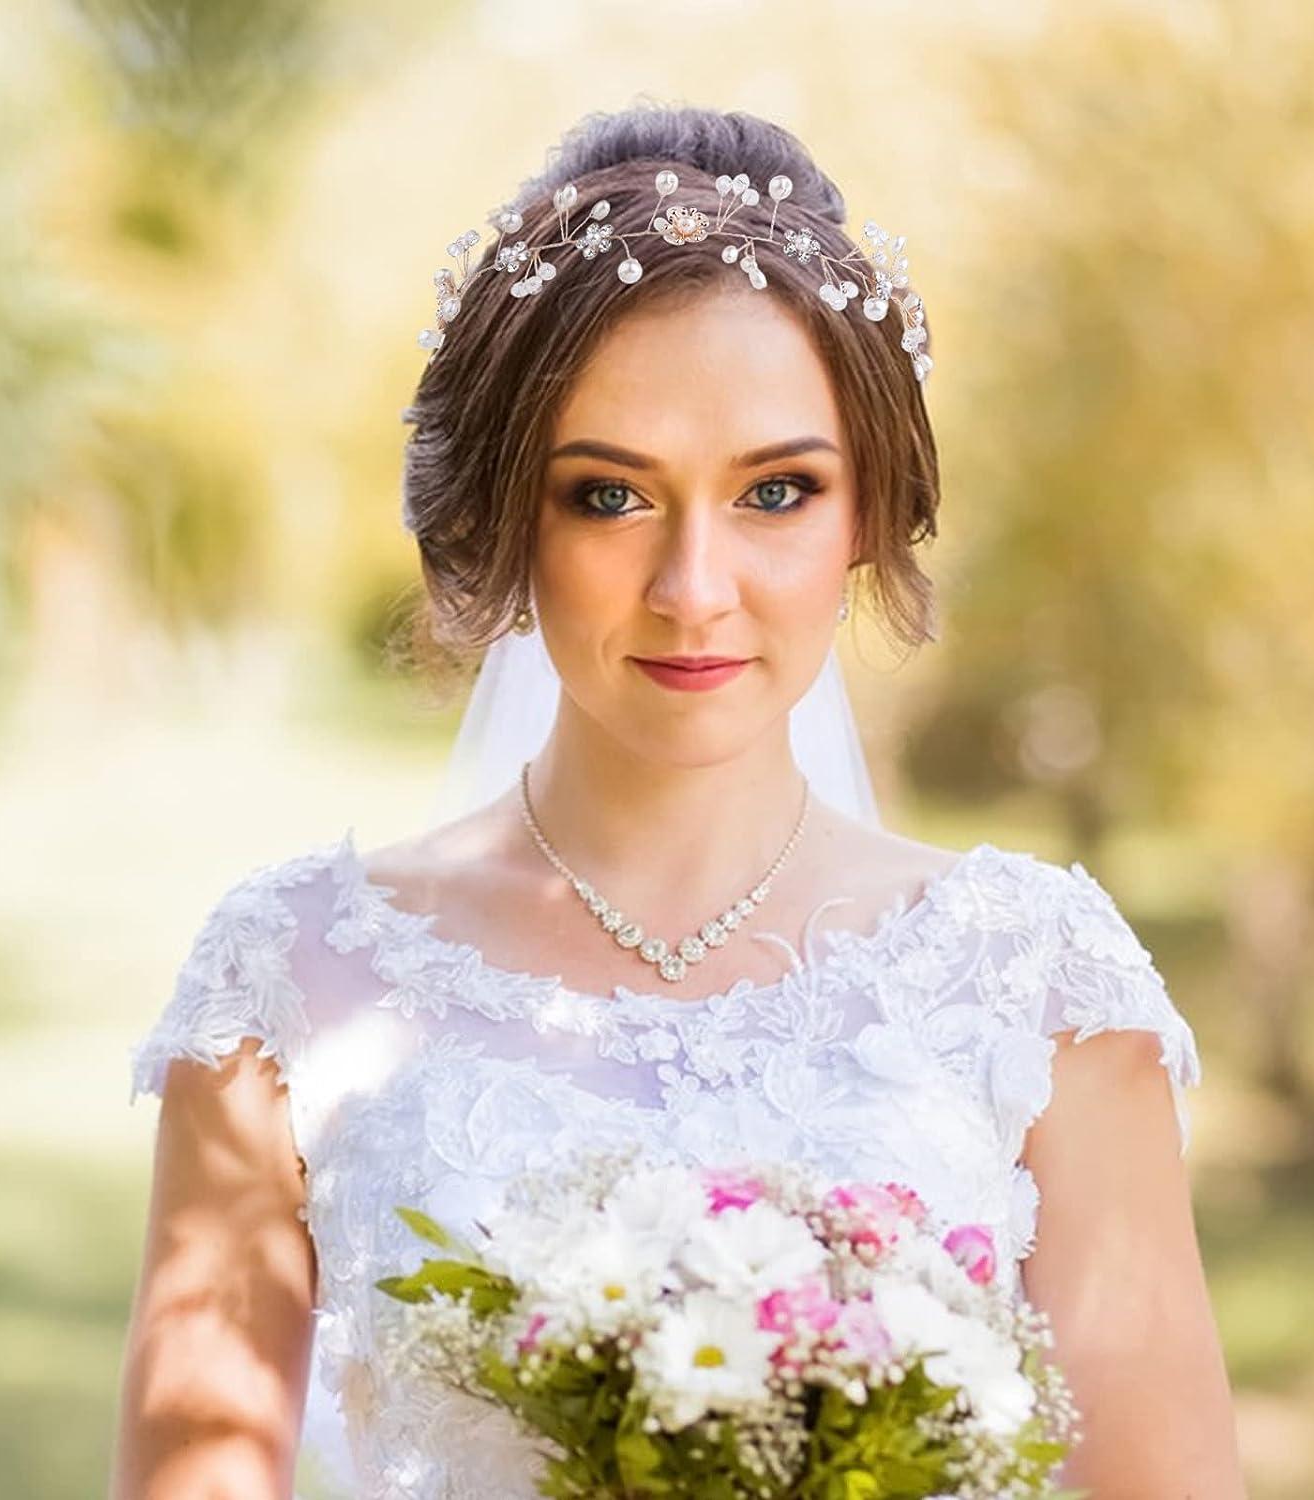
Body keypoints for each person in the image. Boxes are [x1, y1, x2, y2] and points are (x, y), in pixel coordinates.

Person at [111, 103, 1246, 1499]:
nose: (694, 590)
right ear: (507, 518)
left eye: (777, 491)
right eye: (609, 497)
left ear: (864, 513)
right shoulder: (287, 984)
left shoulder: (1040, 989)